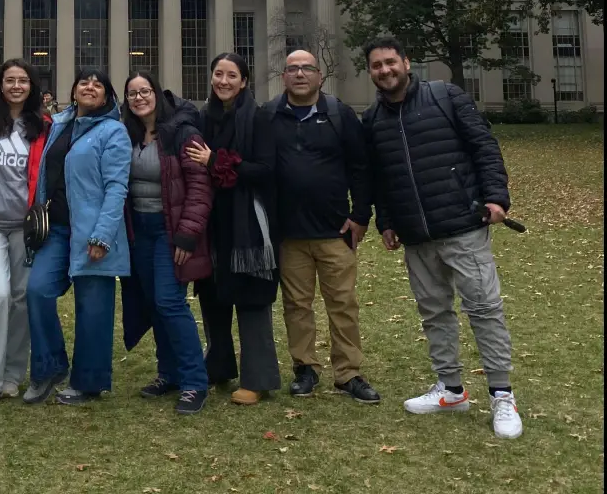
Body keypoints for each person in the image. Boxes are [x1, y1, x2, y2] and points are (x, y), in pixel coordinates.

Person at [361, 36, 522, 439]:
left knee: (484, 310)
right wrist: (386, 221)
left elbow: (484, 146)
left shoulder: (445, 97)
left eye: (390, 62)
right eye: (377, 65)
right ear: (370, 72)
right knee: (434, 313)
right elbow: (380, 178)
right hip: (416, 235)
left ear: (406, 62)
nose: (385, 70)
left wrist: (496, 197)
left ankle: (502, 395)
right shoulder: (373, 119)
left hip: (463, 226)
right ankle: (451, 388)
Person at [267, 50, 381, 404]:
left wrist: (360, 216)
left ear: (319, 75)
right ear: (284, 77)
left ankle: (348, 373)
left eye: (307, 68)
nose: (300, 74)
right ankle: (305, 368)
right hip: (289, 234)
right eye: (293, 69)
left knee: (343, 304)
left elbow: (361, 168)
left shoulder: (339, 114)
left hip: (335, 231)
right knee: (296, 305)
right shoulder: (269, 115)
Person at [23, 68, 131, 406]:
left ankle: (89, 382)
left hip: (92, 233)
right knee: (37, 290)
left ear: (107, 96)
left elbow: (116, 187)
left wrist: (103, 235)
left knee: (93, 309)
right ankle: (50, 367)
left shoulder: (114, 132)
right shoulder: (58, 125)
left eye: (98, 84)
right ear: (73, 91)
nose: (90, 87)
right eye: (84, 82)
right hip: (56, 229)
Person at [186, 52, 281, 406]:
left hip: (249, 222)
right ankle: (219, 364)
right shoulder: (203, 118)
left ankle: (258, 378)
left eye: (231, 75)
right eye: (218, 74)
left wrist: (217, 161)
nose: (223, 81)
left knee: (251, 297)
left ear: (244, 81)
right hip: (213, 220)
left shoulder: (258, 118)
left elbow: (266, 169)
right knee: (212, 294)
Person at [119, 71, 212, 415]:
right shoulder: (128, 134)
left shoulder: (182, 133)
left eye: (145, 91)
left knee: (169, 301)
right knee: (153, 303)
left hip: (169, 230)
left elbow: (199, 187)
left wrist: (187, 234)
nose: (139, 98)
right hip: (138, 230)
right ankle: (169, 372)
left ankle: (194, 382)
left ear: (157, 94)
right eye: (132, 94)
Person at [0, 59, 52, 408]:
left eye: (23, 80)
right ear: (0, 85)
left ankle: (12, 375)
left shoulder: (44, 126)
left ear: (32, 86)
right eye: (10, 80)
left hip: (25, 227)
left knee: (21, 297)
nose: (16, 86)